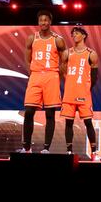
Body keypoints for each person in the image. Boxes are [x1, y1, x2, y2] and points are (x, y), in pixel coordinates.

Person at [22, 10, 67, 153]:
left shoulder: (58, 39)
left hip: (51, 76)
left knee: (50, 113)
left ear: (50, 22)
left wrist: (57, 76)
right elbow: (27, 59)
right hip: (36, 75)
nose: (43, 22)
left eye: (46, 20)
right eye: (41, 20)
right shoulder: (32, 38)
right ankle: (26, 147)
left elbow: (64, 60)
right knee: (29, 111)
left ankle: (46, 148)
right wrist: (33, 73)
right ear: (38, 22)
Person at [60, 27, 100, 160]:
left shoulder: (91, 54)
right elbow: (62, 69)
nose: (74, 36)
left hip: (84, 94)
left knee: (88, 123)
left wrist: (86, 87)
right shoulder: (67, 53)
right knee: (68, 123)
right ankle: (69, 152)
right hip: (69, 94)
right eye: (72, 34)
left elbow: (94, 76)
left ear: (83, 36)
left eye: (76, 33)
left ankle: (94, 153)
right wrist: (69, 80)